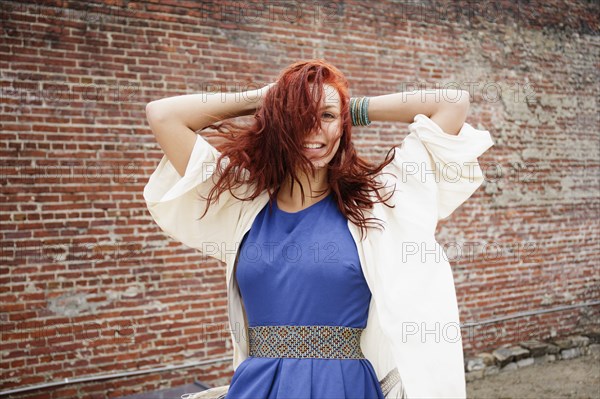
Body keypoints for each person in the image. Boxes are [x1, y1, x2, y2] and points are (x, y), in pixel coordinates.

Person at [143, 59, 495, 399]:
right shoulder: (241, 203)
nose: (315, 129)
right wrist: (268, 98)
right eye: (300, 116)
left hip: (343, 387)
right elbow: (163, 115)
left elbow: (451, 102)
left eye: (327, 117)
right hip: (257, 385)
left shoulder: (378, 203)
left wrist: (348, 108)